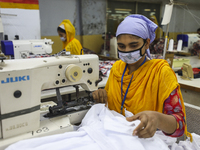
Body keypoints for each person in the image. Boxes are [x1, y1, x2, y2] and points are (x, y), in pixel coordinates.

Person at [92, 14, 192, 140]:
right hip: (117, 137)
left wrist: (157, 119)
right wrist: (103, 95)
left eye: (133, 45)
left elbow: (180, 126)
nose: (127, 51)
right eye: (121, 46)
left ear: (146, 43)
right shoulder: (117, 69)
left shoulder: (160, 72)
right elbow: (112, 101)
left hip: (149, 141)